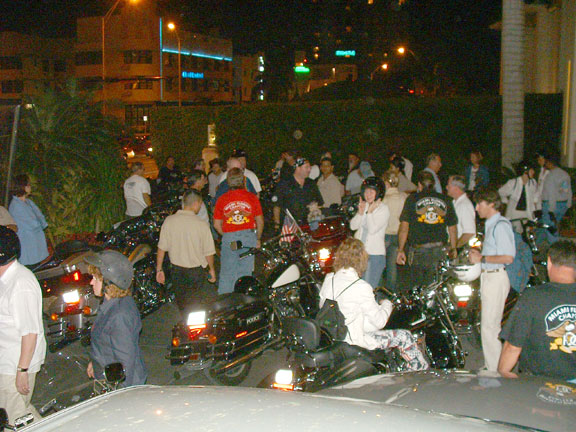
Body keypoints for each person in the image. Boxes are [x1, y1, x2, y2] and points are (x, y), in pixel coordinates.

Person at [319, 238, 428, 371]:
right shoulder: (361, 286)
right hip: (356, 340)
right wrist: (387, 304)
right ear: (361, 260)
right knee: (404, 336)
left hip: (335, 337)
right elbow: (380, 322)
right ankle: (421, 372)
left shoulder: (329, 279)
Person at [498, 240, 576, 381]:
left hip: (539, 383)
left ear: (549, 262)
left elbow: (513, 346)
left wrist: (502, 373)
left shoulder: (533, 297)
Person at [0, 226, 46, 424]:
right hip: (7, 362)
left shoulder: (20, 284)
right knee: (21, 414)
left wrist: (22, 370)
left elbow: (30, 333)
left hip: (14, 365)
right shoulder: (6, 279)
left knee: (15, 420)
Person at [84, 250, 147, 388]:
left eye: (96, 278)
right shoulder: (113, 303)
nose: (91, 282)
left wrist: (120, 394)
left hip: (120, 384)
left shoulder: (119, 316)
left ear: (109, 283)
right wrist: (95, 362)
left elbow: (125, 363)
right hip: (109, 375)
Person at [469, 189, 515, 372]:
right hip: (490, 276)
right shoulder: (491, 225)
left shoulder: (500, 226)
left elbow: (508, 257)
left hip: (496, 277)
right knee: (488, 325)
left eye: (480, 204)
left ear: (492, 204)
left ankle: (495, 369)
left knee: (490, 327)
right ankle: (492, 365)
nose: (476, 208)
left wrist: (482, 258)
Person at [156, 189, 217, 317]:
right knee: (196, 304)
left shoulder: (169, 221)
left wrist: (159, 269)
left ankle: (185, 322)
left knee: (182, 303)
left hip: (177, 271)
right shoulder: (201, 225)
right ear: (196, 203)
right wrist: (211, 269)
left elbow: (161, 248)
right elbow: (208, 252)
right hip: (196, 272)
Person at [396, 170, 458, 291]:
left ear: (419, 185)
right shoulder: (445, 200)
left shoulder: (412, 199)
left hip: (419, 251)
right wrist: (453, 247)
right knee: (437, 286)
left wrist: (401, 249)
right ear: (433, 184)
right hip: (440, 250)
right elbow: (452, 228)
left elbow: (404, 227)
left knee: (418, 288)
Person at [213, 168, 264, 294]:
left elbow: (216, 224)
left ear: (228, 182)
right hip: (248, 237)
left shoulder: (222, 199)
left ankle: (226, 299)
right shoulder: (252, 197)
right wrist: (258, 238)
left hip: (230, 238)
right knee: (245, 272)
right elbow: (260, 221)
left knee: (227, 272)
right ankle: (243, 298)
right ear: (243, 180)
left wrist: (227, 234)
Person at [350, 177, 390, 288]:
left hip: (374, 255)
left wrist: (370, 213)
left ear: (378, 193)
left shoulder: (383, 209)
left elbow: (372, 229)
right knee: (358, 287)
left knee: (368, 288)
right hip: (360, 254)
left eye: (371, 192)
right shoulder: (365, 206)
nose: (368, 195)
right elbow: (353, 226)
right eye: (366, 191)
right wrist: (360, 213)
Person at [8, 174, 49, 267]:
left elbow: (41, 217)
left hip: (35, 244)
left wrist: (41, 223)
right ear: (22, 187)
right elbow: (32, 224)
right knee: (32, 268)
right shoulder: (16, 206)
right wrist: (40, 223)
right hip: (28, 247)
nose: (30, 187)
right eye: (28, 185)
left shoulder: (28, 202)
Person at [273, 156, 324, 228]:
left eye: (310, 167)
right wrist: (277, 225)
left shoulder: (311, 184)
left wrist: (315, 209)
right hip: (289, 225)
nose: (309, 169)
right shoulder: (284, 184)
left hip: (309, 224)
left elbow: (320, 203)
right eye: (306, 167)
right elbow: (277, 206)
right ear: (298, 168)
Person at [382, 170, 407, 293]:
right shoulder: (404, 197)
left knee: (380, 265)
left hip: (385, 235)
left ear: (386, 183)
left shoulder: (383, 200)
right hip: (399, 235)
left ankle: (380, 291)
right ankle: (391, 291)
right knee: (392, 266)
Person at [498, 161, 540, 232]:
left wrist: (536, 205)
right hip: (515, 213)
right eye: (531, 170)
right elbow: (501, 192)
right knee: (516, 231)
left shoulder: (533, 183)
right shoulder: (513, 183)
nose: (533, 172)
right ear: (525, 171)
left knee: (528, 232)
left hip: (527, 212)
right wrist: (506, 202)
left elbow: (536, 194)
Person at [541, 153, 572, 241]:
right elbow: (568, 190)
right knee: (555, 226)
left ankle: (555, 245)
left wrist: (551, 209)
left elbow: (551, 193)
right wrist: (568, 204)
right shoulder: (565, 174)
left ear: (550, 163)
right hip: (563, 204)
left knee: (549, 226)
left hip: (551, 205)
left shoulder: (551, 175)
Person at [446, 175, 476, 247]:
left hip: (461, 248)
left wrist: (454, 248)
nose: (446, 187)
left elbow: (469, 233)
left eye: (448, 185)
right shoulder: (455, 203)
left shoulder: (464, 205)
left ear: (456, 188)